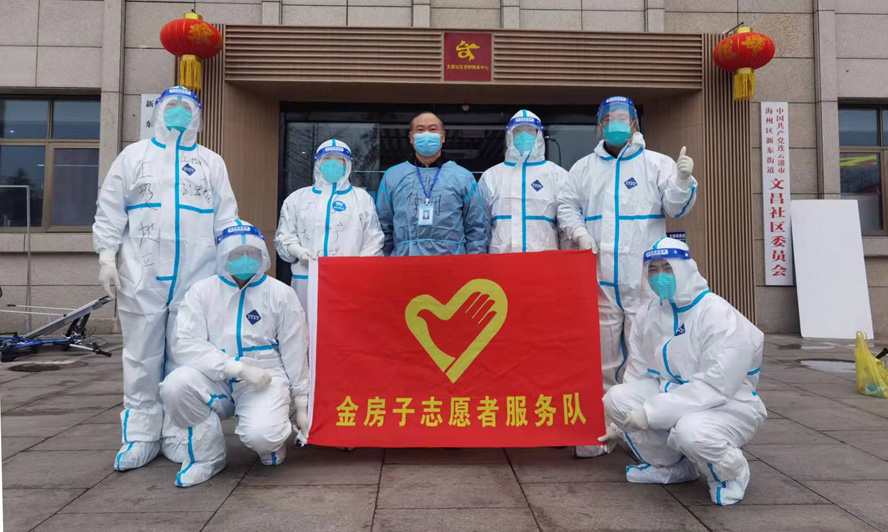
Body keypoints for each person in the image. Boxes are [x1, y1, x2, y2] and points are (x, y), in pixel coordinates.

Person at [93, 86, 239, 471]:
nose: (178, 113)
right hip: (141, 274)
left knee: (184, 357)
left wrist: (229, 267)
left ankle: (179, 432)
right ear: (157, 111)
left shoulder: (211, 162)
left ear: (198, 115)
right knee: (141, 357)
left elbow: (226, 218)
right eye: (171, 106)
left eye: (186, 107)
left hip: (197, 274)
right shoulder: (134, 156)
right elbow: (110, 208)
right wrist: (107, 255)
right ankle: (140, 435)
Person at [557, 96, 697, 458]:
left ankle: (640, 435)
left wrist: (683, 181)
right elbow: (566, 205)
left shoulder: (657, 163)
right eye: (609, 119)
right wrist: (579, 233)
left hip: (644, 281)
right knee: (602, 358)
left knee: (645, 358)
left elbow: (675, 207)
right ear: (600, 125)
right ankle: (602, 429)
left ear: (634, 123)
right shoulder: (584, 168)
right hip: (601, 279)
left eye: (623, 118)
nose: (616, 124)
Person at [599, 237, 766, 505]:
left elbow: (716, 386)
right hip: (672, 394)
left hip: (729, 404)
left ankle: (732, 473)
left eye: (668, 268)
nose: (660, 276)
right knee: (617, 398)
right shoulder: (649, 313)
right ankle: (672, 467)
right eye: (653, 270)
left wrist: (651, 412)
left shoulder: (717, 314)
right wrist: (619, 426)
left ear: (685, 268)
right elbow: (639, 372)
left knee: (692, 432)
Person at [159, 221, 310, 487]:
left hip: (264, 376)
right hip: (213, 376)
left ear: (263, 255)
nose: (245, 259)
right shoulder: (202, 292)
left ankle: (271, 445)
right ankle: (207, 457)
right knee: (176, 385)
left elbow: (295, 348)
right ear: (223, 256)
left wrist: (302, 403)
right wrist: (235, 368)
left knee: (263, 436)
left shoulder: (280, 293)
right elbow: (186, 342)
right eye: (237, 254)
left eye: (252, 253)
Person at [274, 139, 384, 309]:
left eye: (339, 159)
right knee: (306, 322)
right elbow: (284, 237)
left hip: (349, 280)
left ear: (347, 164)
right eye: (327, 158)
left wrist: (359, 270)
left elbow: (373, 241)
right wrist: (299, 252)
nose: (333, 163)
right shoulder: (297, 199)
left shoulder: (362, 199)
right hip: (307, 279)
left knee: (346, 321)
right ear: (318, 163)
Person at [376, 112, 489, 256]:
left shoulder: (463, 177)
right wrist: (383, 262)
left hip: (452, 262)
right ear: (411, 137)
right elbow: (383, 226)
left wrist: (474, 261)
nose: (426, 134)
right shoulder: (393, 176)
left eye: (433, 129)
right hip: (404, 261)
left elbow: (476, 228)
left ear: (443, 137)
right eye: (420, 129)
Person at [479, 109, 569, 253]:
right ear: (509, 136)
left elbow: (566, 223)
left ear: (539, 135)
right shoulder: (491, 176)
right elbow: (481, 225)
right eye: (518, 131)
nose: (524, 135)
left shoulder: (556, 175)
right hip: (501, 259)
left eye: (530, 130)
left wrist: (568, 258)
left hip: (544, 260)